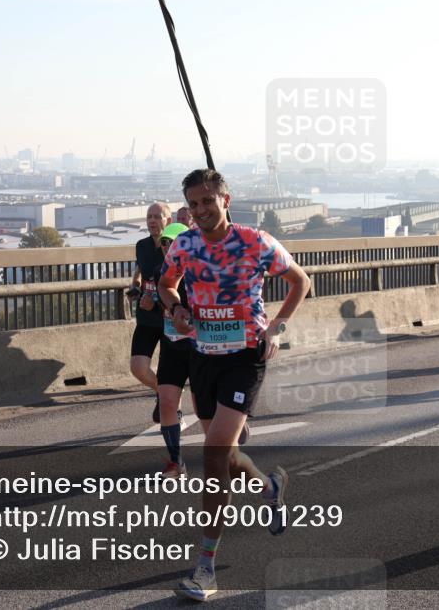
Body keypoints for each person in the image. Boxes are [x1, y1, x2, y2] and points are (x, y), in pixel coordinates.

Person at [159, 168, 311, 601]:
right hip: (202, 358)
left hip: (245, 358)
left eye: (208, 201)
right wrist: (176, 310)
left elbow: (301, 281)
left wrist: (276, 329)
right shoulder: (185, 244)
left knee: (212, 455)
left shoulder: (255, 241)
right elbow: (167, 284)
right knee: (224, 454)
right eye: (193, 205)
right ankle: (270, 486)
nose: (201, 210)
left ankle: (204, 568)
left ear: (226, 200)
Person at [154, 222, 197, 479]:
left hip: (199, 345)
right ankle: (175, 462)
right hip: (172, 344)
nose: (169, 246)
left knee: (204, 404)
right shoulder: (163, 271)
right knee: (168, 402)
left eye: (174, 241)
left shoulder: (200, 267)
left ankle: (236, 424)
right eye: (165, 242)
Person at [131, 202, 172, 421]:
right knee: (138, 367)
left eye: (157, 216)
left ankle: (169, 401)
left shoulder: (174, 247)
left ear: (169, 220)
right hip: (146, 317)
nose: (152, 221)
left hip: (169, 319)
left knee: (169, 373)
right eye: (149, 217)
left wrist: (157, 303)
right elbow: (140, 270)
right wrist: (135, 287)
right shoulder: (141, 245)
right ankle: (162, 392)